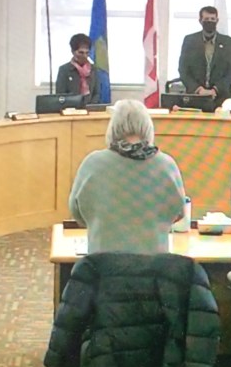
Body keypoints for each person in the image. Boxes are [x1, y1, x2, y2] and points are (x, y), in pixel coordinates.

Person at [68, 99, 186, 254]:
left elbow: (76, 212)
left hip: (103, 269)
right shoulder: (167, 165)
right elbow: (179, 213)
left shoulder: (92, 163)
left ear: (113, 128)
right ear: (148, 127)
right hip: (154, 269)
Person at [177, 6, 231, 108]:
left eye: (212, 19)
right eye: (206, 19)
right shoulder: (189, 41)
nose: (210, 22)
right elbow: (183, 69)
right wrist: (199, 89)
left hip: (221, 99)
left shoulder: (229, 43)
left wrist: (215, 89)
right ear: (200, 21)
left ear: (217, 20)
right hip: (195, 97)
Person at [55, 33, 101, 104]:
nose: (84, 56)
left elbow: (96, 93)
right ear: (73, 52)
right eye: (81, 52)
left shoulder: (94, 69)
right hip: (70, 110)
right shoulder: (64, 70)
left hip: (90, 110)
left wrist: (90, 106)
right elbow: (60, 95)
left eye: (87, 53)